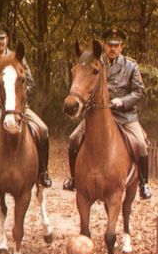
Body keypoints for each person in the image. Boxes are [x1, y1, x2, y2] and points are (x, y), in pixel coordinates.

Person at [63, 26, 152, 200]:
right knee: (74, 139)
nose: (112, 48)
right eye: (109, 45)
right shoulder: (95, 63)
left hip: (124, 116)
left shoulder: (130, 66)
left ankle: (144, 183)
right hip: (98, 115)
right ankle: (73, 179)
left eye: (116, 45)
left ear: (122, 47)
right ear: (104, 45)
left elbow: (139, 91)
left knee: (141, 144)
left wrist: (122, 101)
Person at [0, 21, 52, 191]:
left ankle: (43, 172)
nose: (0, 42)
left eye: (2, 38)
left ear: (7, 39)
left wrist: (17, 98)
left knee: (43, 129)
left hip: (17, 108)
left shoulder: (18, 58)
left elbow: (30, 83)